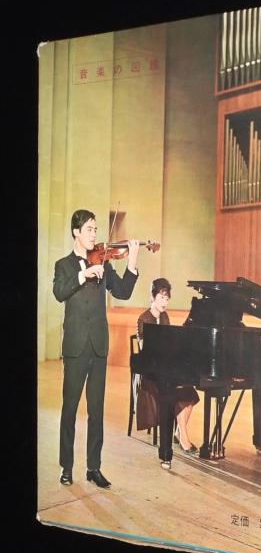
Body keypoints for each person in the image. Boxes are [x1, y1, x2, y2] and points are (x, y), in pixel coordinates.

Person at [53, 209, 140, 488]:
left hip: (99, 346)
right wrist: (83, 274)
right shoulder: (64, 265)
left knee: (97, 411)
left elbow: (123, 292)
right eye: (89, 229)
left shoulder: (105, 262)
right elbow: (59, 292)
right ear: (76, 232)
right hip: (76, 347)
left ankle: (94, 468)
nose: (94, 234)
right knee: (69, 409)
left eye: (95, 229)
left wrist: (133, 262)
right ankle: (66, 467)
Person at [136, 278, 199, 455]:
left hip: (165, 370)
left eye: (167, 298)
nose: (164, 302)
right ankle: (184, 439)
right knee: (175, 394)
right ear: (153, 297)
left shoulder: (165, 317)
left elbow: (169, 344)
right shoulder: (143, 318)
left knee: (190, 393)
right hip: (150, 374)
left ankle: (179, 432)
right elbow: (144, 349)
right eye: (161, 297)